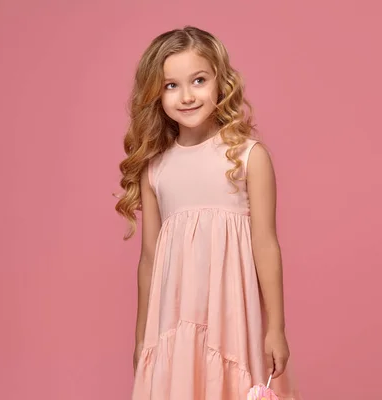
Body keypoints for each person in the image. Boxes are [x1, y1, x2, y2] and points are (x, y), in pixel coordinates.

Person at [115, 26, 301, 399]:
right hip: (173, 323)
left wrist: (276, 328)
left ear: (221, 81)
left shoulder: (248, 157)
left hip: (231, 322)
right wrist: (141, 339)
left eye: (198, 80)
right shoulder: (156, 168)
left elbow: (266, 245)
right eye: (171, 86)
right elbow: (149, 260)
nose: (186, 96)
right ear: (156, 94)